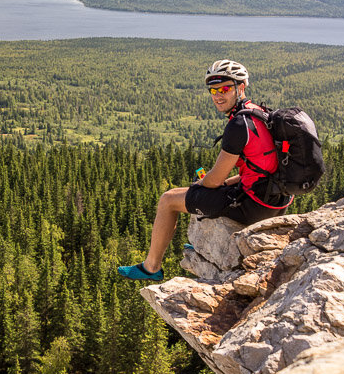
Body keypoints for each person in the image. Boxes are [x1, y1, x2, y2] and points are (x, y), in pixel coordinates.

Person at [117, 59, 292, 281]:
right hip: (277, 201)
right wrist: (224, 183)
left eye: (225, 89)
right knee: (213, 191)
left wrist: (201, 184)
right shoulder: (261, 114)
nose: (218, 95)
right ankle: (204, 243)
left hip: (256, 206)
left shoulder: (239, 125)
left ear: (241, 87)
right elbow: (261, 169)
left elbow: (214, 179)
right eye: (213, 90)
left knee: (169, 200)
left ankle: (151, 267)